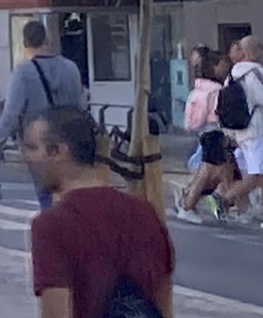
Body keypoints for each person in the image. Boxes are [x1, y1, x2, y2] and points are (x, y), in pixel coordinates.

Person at [25, 107, 175, 318]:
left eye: (32, 148)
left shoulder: (52, 226)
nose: (27, 158)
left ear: (58, 151)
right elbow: (164, 306)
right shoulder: (145, 213)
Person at [0, 20, 86, 211]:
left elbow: (11, 114)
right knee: (71, 194)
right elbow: (81, 106)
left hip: (41, 145)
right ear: (46, 39)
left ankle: (55, 233)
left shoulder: (23, 72)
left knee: (46, 196)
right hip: (70, 141)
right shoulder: (70, 67)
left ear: (25, 42)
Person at [226, 35, 263, 229]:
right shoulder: (256, 72)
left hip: (238, 130)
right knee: (259, 174)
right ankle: (224, 198)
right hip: (256, 128)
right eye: (259, 48)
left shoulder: (232, 74)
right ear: (252, 51)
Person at [175, 51, 236, 222]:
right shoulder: (215, 90)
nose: (225, 68)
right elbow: (216, 112)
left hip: (206, 132)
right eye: (221, 65)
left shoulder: (199, 88)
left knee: (221, 170)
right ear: (213, 67)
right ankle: (189, 204)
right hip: (213, 132)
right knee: (209, 171)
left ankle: (219, 200)